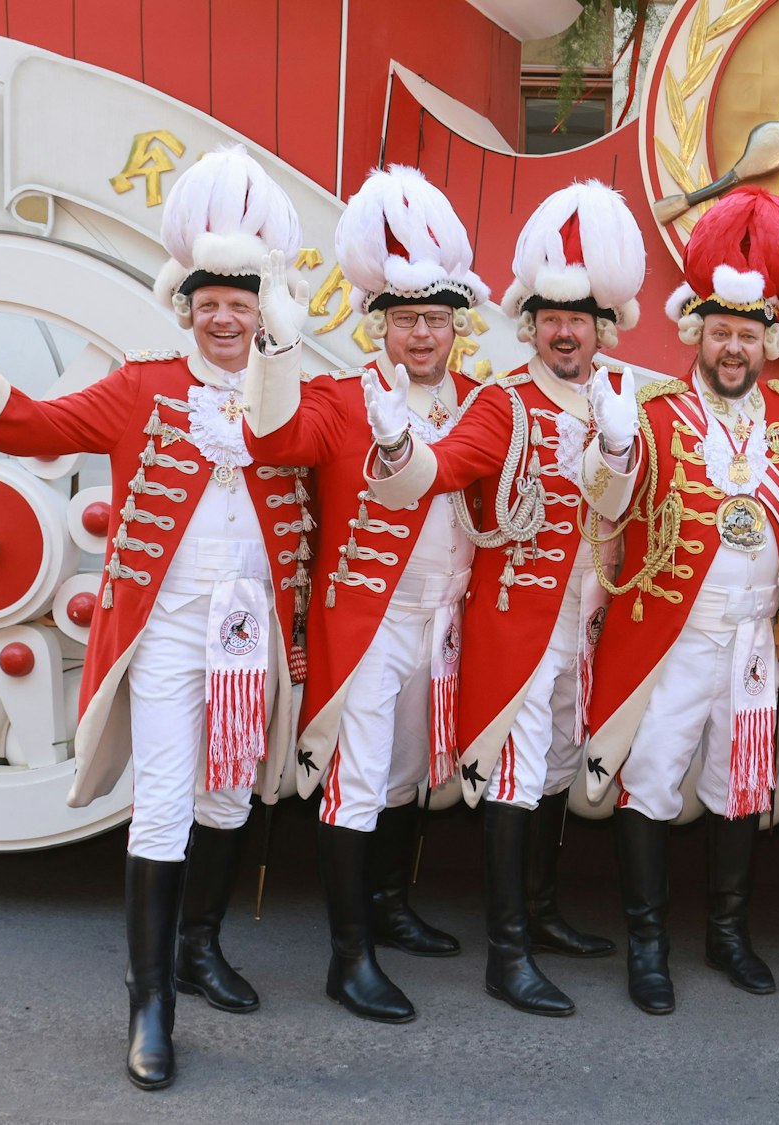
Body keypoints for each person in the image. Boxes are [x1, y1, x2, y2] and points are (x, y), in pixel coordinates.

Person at [0, 146, 310, 1090]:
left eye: (242, 301)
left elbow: (325, 454)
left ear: (263, 308)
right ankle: (149, 1001)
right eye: (209, 302)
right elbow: (30, 427)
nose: (224, 317)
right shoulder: (142, 387)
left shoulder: (292, 396)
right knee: (160, 806)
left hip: (251, 643)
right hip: (163, 637)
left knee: (228, 799)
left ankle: (200, 947)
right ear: (185, 305)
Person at [363, 179, 649, 1015]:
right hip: (518, 625)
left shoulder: (628, 401)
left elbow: (629, 506)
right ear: (531, 325)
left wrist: (618, 441)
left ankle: (546, 911)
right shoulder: (502, 401)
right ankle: (508, 951)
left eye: (582, 318)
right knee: (520, 778)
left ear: (604, 328)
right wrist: (395, 445)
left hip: (589, 624)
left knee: (559, 765)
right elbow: (438, 474)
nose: (567, 332)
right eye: (552, 318)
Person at [577, 186, 779, 1015]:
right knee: (649, 780)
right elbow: (608, 505)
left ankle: (727, 934)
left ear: (768, 343)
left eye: (747, 335)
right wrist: (612, 447)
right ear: (697, 332)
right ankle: (647, 944)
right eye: (720, 332)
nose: (733, 348)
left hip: (757, 639)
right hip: (674, 636)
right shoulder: (649, 412)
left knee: (739, 783)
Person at [243, 165, 487, 1023]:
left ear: (457, 325)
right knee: (358, 777)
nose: (421, 335)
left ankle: (388, 906)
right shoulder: (343, 399)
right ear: (376, 324)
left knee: (409, 773)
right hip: (370, 622)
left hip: (444, 620)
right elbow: (271, 440)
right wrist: (275, 349)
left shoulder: (475, 406)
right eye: (405, 320)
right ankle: (349, 957)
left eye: (435, 319)